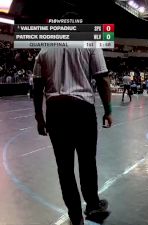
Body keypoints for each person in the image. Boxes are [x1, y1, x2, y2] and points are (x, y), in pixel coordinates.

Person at [32, 48, 112, 225]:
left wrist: (39, 116)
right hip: (82, 109)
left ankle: (76, 217)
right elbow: (102, 79)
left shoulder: (44, 50)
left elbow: (37, 86)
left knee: (64, 168)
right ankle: (92, 205)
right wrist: (108, 111)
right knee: (88, 162)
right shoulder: (90, 44)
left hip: (55, 111)